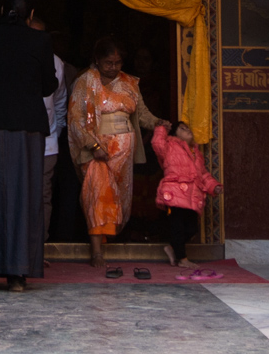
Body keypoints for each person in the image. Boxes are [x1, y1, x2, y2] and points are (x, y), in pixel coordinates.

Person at [0, 0, 58, 290]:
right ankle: (17, 274)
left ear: (1, 10)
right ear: (30, 15)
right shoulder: (39, 41)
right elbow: (48, 86)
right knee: (23, 197)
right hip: (25, 127)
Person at [68, 36, 163, 269]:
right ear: (97, 60)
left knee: (117, 199)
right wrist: (93, 146)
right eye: (108, 63)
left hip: (123, 152)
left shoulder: (130, 82)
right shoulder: (85, 81)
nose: (113, 67)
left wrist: (160, 122)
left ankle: (108, 240)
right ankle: (97, 251)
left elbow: (141, 114)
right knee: (97, 194)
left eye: (118, 62)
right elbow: (76, 119)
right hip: (96, 150)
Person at [152, 120, 219, 268]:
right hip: (175, 192)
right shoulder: (169, 145)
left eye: (188, 128)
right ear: (175, 134)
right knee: (178, 227)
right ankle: (182, 259)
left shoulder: (196, 152)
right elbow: (157, 144)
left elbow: (203, 174)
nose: (188, 130)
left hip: (192, 196)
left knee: (192, 229)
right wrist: (161, 129)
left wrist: (213, 186)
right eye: (183, 129)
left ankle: (172, 248)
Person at [40, 44, 68, 245]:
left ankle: (38, 245)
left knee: (43, 195)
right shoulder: (13, 54)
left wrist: (53, 135)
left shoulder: (56, 63)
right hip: (18, 141)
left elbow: (59, 102)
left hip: (47, 142)